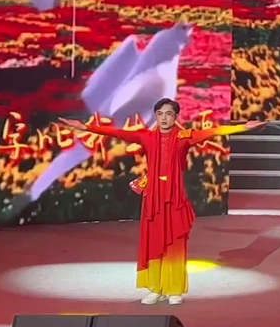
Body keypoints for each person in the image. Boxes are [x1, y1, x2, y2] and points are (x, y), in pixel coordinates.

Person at [61, 99, 260, 305]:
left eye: (169, 114)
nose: (164, 118)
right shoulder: (146, 137)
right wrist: (85, 127)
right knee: (153, 242)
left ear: (175, 116)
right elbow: (118, 133)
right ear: (156, 116)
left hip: (174, 199)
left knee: (174, 243)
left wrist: (242, 127)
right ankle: (156, 289)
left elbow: (214, 132)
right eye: (160, 114)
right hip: (153, 199)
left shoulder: (184, 137)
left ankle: (174, 289)